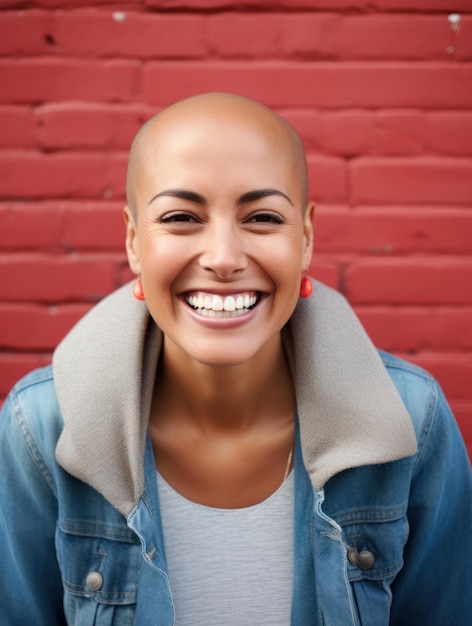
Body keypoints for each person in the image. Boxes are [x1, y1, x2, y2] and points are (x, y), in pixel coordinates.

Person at [0, 93, 470, 626]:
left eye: (264, 217)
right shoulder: (40, 431)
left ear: (307, 238)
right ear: (134, 242)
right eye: (180, 217)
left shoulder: (413, 420)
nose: (223, 257)